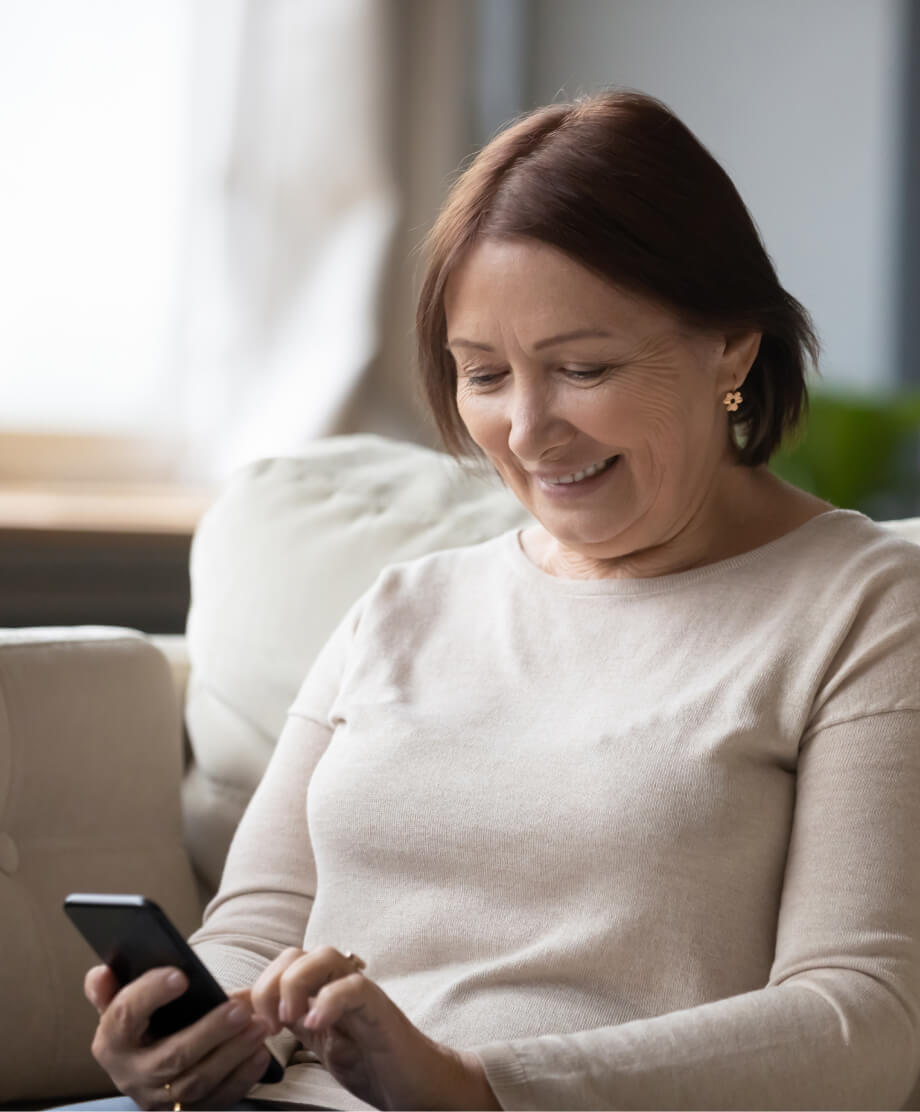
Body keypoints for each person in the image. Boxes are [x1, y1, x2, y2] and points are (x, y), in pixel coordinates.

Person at [73, 89, 920, 1111]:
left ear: (729, 349)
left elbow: (861, 1021)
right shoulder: (402, 604)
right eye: (482, 374)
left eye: (582, 367)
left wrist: (472, 1085)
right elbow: (256, 923)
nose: (525, 429)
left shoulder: (865, 608)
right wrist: (182, 1032)